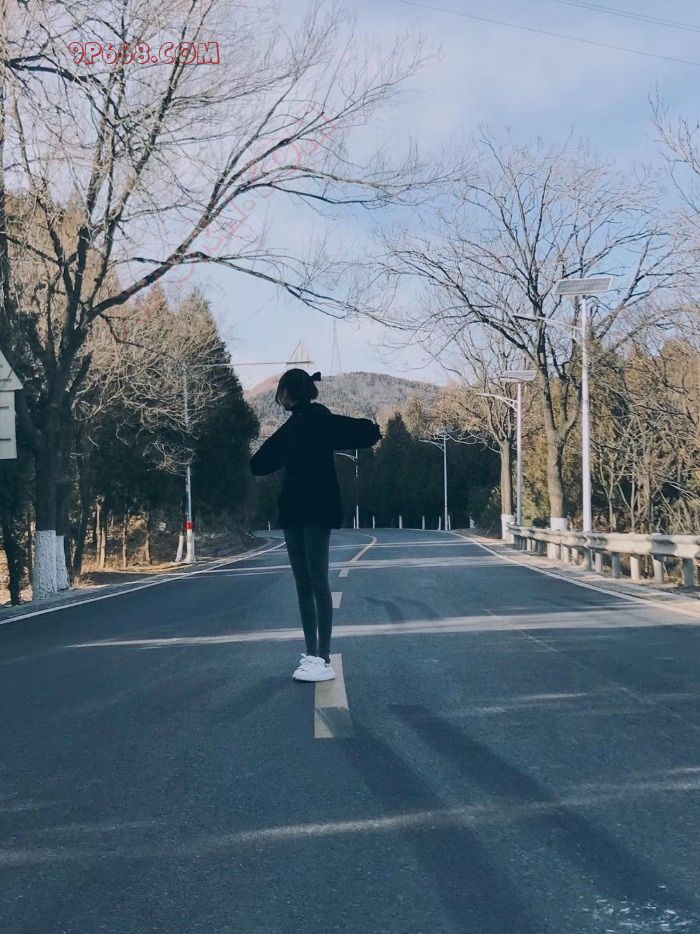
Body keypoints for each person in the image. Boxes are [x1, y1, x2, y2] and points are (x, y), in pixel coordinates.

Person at [250, 369, 381, 682]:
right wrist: (370, 430)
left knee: (308, 585)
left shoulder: (304, 424)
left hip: (302, 512)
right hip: (310, 512)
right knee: (314, 583)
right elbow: (368, 432)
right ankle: (316, 657)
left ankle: (319, 657)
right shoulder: (310, 423)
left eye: (280, 392)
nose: (279, 397)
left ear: (287, 393)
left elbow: (258, 464)